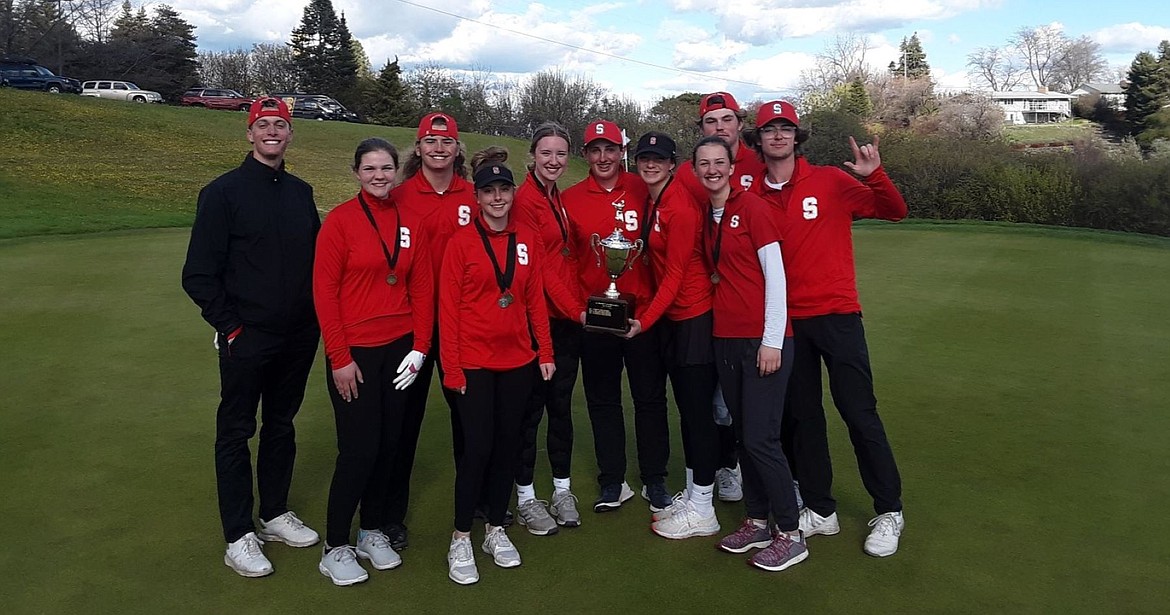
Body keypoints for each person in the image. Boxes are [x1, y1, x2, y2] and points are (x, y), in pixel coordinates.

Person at [750, 100, 908, 557]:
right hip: (788, 323)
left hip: (837, 315)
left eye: (786, 128)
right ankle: (821, 509)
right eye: (769, 130)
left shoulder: (831, 180)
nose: (778, 136)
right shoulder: (751, 194)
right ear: (757, 140)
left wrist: (873, 174)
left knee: (858, 411)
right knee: (803, 418)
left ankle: (889, 509)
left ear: (798, 136)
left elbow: (894, 211)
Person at [181, 97, 321, 578]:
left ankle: (275, 512)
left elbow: (316, 266)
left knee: (282, 424)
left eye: (280, 125)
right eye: (263, 125)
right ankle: (239, 535)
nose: (272, 132)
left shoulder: (301, 193)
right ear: (249, 134)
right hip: (248, 336)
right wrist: (231, 327)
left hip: (299, 334)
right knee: (237, 431)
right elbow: (198, 274)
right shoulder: (222, 193)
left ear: (289, 134)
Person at [312, 138, 433, 586]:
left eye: (386, 168)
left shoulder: (410, 221)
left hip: (401, 350)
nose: (379, 176)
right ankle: (336, 545)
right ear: (356, 172)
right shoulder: (340, 222)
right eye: (370, 168)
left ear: (396, 170)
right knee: (359, 450)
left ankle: (372, 531)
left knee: (390, 445)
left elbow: (421, 287)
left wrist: (421, 347)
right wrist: (339, 357)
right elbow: (324, 294)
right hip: (355, 353)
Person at [439, 148, 555, 585]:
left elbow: (533, 300)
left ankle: (495, 530)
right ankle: (461, 535)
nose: (498, 197)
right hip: (472, 364)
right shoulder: (462, 243)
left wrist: (545, 352)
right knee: (478, 450)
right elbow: (448, 311)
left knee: (509, 446)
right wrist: (451, 369)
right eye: (489, 191)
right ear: (478, 197)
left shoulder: (526, 240)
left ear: (511, 192)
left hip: (518, 362)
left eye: (504, 189)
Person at [692, 135, 808, 572]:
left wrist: (772, 340)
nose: (711, 170)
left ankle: (790, 533)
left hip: (763, 342)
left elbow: (775, 277)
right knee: (743, 436)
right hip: (726, 340)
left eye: (718, 162)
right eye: (703, 163)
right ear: (696, 169)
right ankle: (758, 520)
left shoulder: (754, 208)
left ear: (729, 164)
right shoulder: (709, 214)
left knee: (762, 438)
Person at [562, 120, 672, 514]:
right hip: (597, 318)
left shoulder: (646, 187)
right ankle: (613, 481)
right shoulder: (570, 199)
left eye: (610, 149)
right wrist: (581, 310)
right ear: (586, 154)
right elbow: (570, 261)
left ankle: (655, 479)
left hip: (643, 315)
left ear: (621, 151)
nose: (603, 157)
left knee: (649, 399)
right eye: (595, 150)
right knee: (603, 401)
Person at [383, 112, 480, 550]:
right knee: (403, 421)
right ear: (417, 148)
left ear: (457, 149)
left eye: (446, 143)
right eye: (430, 142)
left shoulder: (475, 195)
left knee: (469, 418)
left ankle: (477, 499)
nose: (438, 149)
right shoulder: (398, 195)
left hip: (464, 323)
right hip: (413, 326)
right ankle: (390, 512)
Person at [621, 131, 721, 539]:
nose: (650, 164)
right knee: (691, 409)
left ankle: (704, 508)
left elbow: (677, 275)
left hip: (693, 316)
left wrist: (644, 321)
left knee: (697, 414)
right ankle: (697, 497)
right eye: (645, 157)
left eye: (658, 159)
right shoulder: (654, 199)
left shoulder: (678, 205)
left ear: (672, 162)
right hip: (674, 318)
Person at [676, 91, 766, 503]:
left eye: (726, 120)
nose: (720, 128)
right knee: (711, 400)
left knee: (740, 403)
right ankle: (718, 473)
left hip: (746, 301)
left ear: (739, 125)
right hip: (701, 301)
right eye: (711, 122)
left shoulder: (761, 165)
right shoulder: (686, 172)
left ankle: (747, 471)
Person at [512, 122, 588, 534]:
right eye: (547, 154)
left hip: (565, 321)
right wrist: (578, 311)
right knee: (532, 409)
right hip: (536, 320)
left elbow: (567, 259)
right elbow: (540, 271)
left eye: (561, 154)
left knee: (561, 406)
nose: (555, 161)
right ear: (533, 156)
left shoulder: (555, 197)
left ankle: (561, 488)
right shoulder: (526, 201)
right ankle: (526, 495)